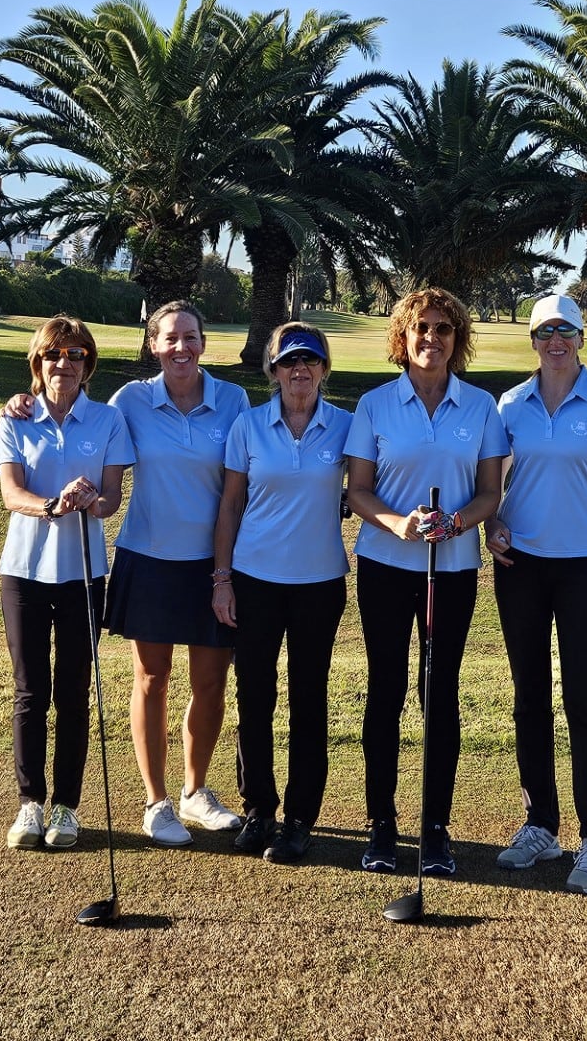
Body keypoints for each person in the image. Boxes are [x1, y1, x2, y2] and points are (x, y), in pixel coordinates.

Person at [5, 301, 250, 848]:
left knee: (210, 683)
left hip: (214, 561)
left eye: (191, 337)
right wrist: (22, 399)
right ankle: (156, 802)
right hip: (148, 555)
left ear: (203, 343)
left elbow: (246, 479)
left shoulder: (233, 400)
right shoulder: (131, 400)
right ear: (154, 345)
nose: (181, 348)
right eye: (170, 339)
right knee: (152, 679)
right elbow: (70, 411)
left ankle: (195, 792)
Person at [343, 287, 508, 877]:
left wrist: (459, 520)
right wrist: (399, 523)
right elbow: (358, 489)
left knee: (440, 693)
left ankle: (435, 828)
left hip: (455, 567)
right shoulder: (375, 404)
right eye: (421, 329)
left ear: (456, 339)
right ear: (403, 337)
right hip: (387, 566)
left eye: (443, 329)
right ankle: (382, 825)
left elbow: (492, 492)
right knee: (385, 690)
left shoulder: (480, 407)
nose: (431, 338)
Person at [484, 294, 587, 896]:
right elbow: (491, 487)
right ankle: (541, 824)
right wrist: (491, 527)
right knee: (528, 699)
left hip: (582, 569)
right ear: (533, 339)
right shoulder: (510, 403)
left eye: (565, 330)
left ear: (580, 336)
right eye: (545, 331)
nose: (555, 341)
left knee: (582, 703)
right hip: (519, 565)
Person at [210, 323, 352, 864]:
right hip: (254, 579)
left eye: (310, 362)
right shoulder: (248, 426)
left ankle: (299, 818)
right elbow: (230, 506)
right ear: (272, 371)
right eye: (289, 362)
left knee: (308, 700)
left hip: (319, 583)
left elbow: (369, 484)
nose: (300, 371)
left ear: (323, 370)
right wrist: (222, 579)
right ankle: (259, 808)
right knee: (255, 698)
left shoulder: (345, 425)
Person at [0, 316, 133, 853]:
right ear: (39, 362)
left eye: (76, 355)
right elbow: (12, 494)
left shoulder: (108, 420)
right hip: (24, 573)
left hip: (84, 573)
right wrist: (52, 504)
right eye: (55, 354)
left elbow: (111, 500)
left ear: (87, 364)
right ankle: (30, 802)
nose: (65, 364)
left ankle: (66, 807)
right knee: (32, 691)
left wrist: (86, 500)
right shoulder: (16, 418)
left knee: (75, 692)